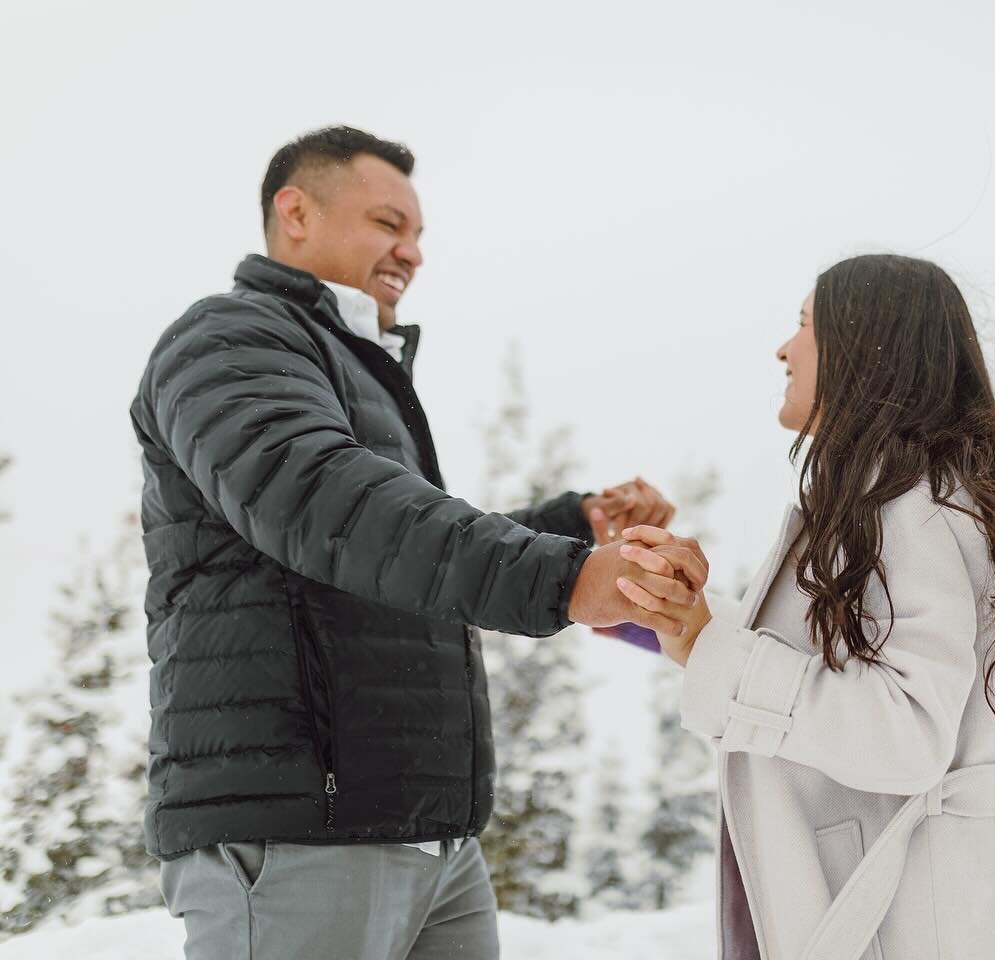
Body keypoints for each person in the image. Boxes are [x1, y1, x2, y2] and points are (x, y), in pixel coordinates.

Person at [129, 125, 703, 959]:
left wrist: (569, 526)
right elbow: (324, 505)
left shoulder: (354, 365)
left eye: (420, 234)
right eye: (389, 224)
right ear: (296, 212)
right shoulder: (228, 338)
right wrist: (564, 577)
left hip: (429, 839)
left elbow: (389, 564)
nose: (413, 253)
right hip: (303, 833)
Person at [617, 254, 995, 959]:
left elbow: (903, 735)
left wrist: (717, 648)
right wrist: (688, 624)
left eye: (806, 324)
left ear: (867, 348)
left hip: (918, 925)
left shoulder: (916, 506)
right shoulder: (883, 504)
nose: (784, 347)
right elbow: (815, 681)